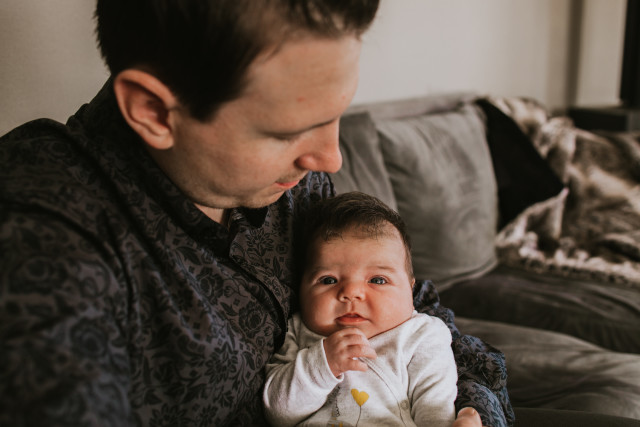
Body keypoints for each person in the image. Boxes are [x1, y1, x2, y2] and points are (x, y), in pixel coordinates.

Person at [0, 1, 513, 426]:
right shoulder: (44, 239)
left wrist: (473, 410)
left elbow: (427, 321)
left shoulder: (298, 185)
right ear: (155, 110)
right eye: (289, 130)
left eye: (336, 112)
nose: (330, 159)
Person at [263, 192, 457, 426]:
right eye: (328, 280)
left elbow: (436, 408)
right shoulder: (297, 332)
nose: (351, 292)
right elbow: (279, 414)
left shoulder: (422, 335)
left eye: (377, 280)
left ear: (410, 289)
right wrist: (321, 366)